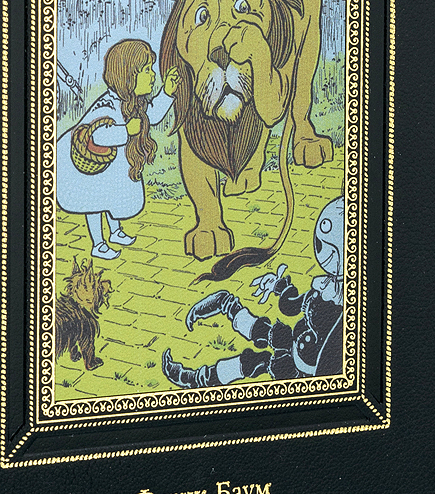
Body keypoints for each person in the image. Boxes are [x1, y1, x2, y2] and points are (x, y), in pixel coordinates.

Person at [162, 196, 345, 386]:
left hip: (301, 371)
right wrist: (279, 286)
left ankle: (196, 379)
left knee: (253, 362)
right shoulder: (322, 287)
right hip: (291, 342)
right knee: (261, 332)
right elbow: (290, 306)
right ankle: (226, 304)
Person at [56, 39, 179, 259]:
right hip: (88, 167)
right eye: (146, 70)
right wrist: (126, 131)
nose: (152, 75)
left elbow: (151, 116)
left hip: (109, 167)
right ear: (127, 75)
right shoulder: (107, 104)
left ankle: (115, 231)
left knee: (112, 196)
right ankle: (98, 244)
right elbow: (98, 135)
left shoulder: (132, 103)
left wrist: (167, 92)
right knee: (94, 203)